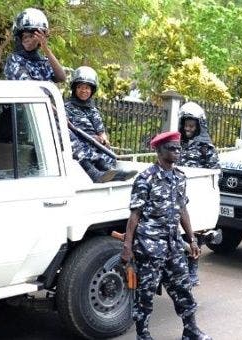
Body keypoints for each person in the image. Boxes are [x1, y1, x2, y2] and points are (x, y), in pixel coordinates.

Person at [120, 131, 211, 340]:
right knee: (146, 294)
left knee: (183, 288)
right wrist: (127, 246)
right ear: (159, 151)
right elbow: (135, 215)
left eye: (179, 148)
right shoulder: (145, 179)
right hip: (150, 246)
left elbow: (182, 210)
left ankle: (191, 331)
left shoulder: (180, 177)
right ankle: (143, 335)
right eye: (172, 148)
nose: (177, 152)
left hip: (173, 245)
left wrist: (192, 239)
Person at [66, 66, 136, 183]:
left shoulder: (93, 110)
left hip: (94, 143)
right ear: (74, 88)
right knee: (79, 146)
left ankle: (112, 172)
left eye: (87, 88)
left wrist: (104, 140)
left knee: (108, 153)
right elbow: (66, 132)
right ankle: (95, 174)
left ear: (92, 90)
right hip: (77, 145)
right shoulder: (66, 108)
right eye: (80, 87)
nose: (84, 91)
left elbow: (101, 132)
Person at [177, 101, 220, 286]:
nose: (189, 128)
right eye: (186, 124)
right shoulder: (176, 145)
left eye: (192, 125)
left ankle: (193, 270)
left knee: (194, 236)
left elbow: (216, 173)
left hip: (197, 199)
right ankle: (179, 272)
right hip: (179, 197)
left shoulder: (206, 148)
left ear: (199, 126)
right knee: (177, 236)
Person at [4, 8, 66, 82]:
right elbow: (30, 87)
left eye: (33, 36)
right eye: (25, 37)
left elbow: (61, 78)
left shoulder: (43, 61)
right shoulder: (13, 60)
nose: (29, 40)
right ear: (19, 38)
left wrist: (46, 50)